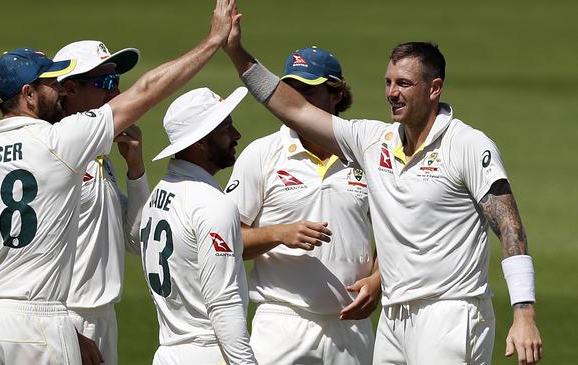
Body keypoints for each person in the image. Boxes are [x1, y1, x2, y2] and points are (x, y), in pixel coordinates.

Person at [0, 1, 237, 364]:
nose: (57, 90)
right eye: (51, 84)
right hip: (48, 316)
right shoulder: (61, 144)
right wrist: (214, 39)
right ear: (30, 94)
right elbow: (148, 91)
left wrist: (3, 283)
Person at [223, 16, 542, 365]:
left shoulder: (467, 144)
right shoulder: (374, 141)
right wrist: (237, 53)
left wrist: (523, 313)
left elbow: (510, 225)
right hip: (393, 319)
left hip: (450, 309)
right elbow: (294, 109)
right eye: (388, 82)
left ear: (434, 89)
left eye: (404, 83)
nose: (392, 92)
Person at [224, 46, 379, 364]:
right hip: (282, 325)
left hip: (352, 329)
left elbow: (399, 235)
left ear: (335, 94)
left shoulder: (369, 155)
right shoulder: (262, 154)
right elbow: (225, 242)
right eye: (289, 88)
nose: (293, 99)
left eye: (306, 90)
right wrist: (279, 234)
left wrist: (379, 280)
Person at [142, 87, 257, 365]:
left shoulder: (157, 195)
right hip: (208, 352)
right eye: (226, 129)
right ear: (201, 143)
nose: (237, 135)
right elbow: (223, 301)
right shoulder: (213, 204)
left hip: (168, 352)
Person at [52, 40, 149, 365]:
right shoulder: (52, 156)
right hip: (66, 316)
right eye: (104, 83)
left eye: (117, 83)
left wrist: (135, 168)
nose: (116, 94)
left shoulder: (99, 158)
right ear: (69, 89)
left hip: (102, 316)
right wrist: (66, 328)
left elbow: (136, 241)